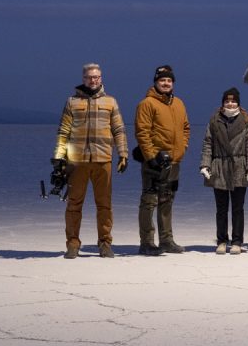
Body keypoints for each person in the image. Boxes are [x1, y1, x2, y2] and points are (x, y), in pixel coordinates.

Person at [52, 62, 129, 258]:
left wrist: (123, 154)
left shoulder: (110, 102)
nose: (93, 80)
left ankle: (104, 243)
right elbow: (63, 131)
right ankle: (72, 244)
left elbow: (119, 130)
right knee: (74, 203)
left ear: (101, 78)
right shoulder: (72, 102)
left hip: (103, 159)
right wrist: (59, 157)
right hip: (77, 161)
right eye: (89, 77)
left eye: (96, 77)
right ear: (83, 78)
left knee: (104, 204)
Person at [134, 64, 190, 255]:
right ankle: (147, 242)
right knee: (150, 201)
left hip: (174, 162)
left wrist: (182, 149)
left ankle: (166, 240)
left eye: (169, 80)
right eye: (162, 80)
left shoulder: (179, 103)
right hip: (154, 162)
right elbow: (142, 132)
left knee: (167, 200)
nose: (166, 83)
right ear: (156, 82)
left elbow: (185, 128)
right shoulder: (147, 103)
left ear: (173, 83)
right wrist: (151, 156)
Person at [200, 86, 248, 254]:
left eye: (233, 101)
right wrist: (205, 165)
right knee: (221, 208)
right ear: (223, 102)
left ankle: (237, 241)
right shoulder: (215, 120)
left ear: (238, 103)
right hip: (220, 167)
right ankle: (222, 240)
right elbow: (207, 144)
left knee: (238, 207)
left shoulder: (246, 120)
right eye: (227, 101)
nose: (230, 104)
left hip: (240, 166)